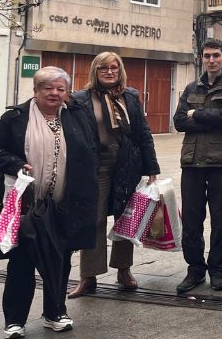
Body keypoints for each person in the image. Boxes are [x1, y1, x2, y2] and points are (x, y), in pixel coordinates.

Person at [0, 67, 98, 338]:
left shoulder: (77, 115)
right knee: (21, 261)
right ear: (36, 90)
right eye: (48, 88)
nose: (55, 93)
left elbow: (91, 150)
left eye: (60, 88)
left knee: (60, 260)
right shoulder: (15, 117)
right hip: (26, 205)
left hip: (64, 203)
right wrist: (15, 163)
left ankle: (55, 312)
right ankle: (14, 320)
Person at [68, 52, 160, 298]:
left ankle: (123, 270)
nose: (109, 72)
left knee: (125, 219)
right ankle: (88, 276)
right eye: (103, 69)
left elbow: (143, 132)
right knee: (94, 218)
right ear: (94, 72)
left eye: (114, 68)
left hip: (126, 164)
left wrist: (152, 168)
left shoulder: (130, 96)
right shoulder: (80, 98)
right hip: (95, 165)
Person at [172, 38, 222, 294]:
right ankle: (195, 269)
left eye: (216, 55)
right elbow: (179, 121)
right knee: (191, 220)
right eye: (207, 56)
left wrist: (197, 114)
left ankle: (219, 271)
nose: (211, 60)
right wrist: (208, 119)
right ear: (202, 58)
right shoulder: (192, 87)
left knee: (221, 220)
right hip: (192, 162)